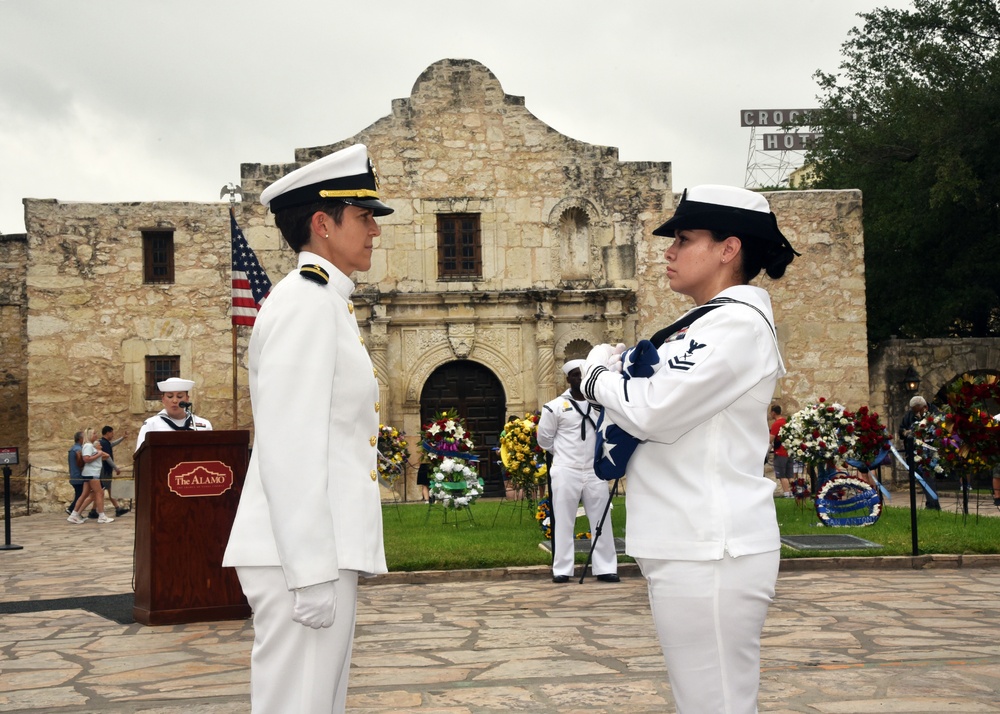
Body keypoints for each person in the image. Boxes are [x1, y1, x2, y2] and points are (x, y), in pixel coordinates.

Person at [581, 185, 797, 713]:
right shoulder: (704, 324)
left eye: (683, 239)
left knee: (715, 702)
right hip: (689, 540)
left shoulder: (736, 324)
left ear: (729, 249)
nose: (668, 252)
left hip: (711, 546)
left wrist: (594, 377)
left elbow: (655, 408)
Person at [222, 143, 391, 714]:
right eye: (364, 217)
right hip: (299, 557)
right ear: (323, 224)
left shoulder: (325, 303)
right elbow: (289, 445)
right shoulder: (306, 304)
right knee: (297, 705)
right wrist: (311, 570)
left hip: (312, 551)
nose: (374, 230)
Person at [536, 359, 619, 584]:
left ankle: (605, 567)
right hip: (566, 470)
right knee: (563, 519)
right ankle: (562, 569)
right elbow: (544, 440)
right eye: (575, 375)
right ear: (568, 379)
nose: (579, 379)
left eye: (583, 375)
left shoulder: (600, 405)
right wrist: (564, 455)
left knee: (602, 519)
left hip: (594, 470)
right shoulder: (554, 406)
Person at [135, 377, 213, 452]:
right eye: (170, 396)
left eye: (179, 396)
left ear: (187, 399)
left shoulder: (204, 425)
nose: (175, 400)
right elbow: (141, 455)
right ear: (163, 399)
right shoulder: (151, 425)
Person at [898, 395, 940, 510]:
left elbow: (939, 430)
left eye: (917, 410)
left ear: (924, 407)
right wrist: (905, 433)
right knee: (921, 478)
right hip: (913, 452)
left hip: (929, 452)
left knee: (928, 477)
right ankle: (932, 503)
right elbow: (901, 430)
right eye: (913, 410)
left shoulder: (935, 414)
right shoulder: (909, 415)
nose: (915, 413)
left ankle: (932, 504)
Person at [67, 428, 114, 524]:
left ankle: (74, 515)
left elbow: (103, 455)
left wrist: (99, 453)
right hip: (92, 473)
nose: (96, 435)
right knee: (99, 493)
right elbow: (86, 459)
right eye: (94, 434)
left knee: (84, 494)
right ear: (88, 435)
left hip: (89, 473)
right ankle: (102, 516)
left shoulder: (89, 446)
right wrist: (99, 454)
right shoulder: (88, 446)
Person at [100, 425, 129, 517]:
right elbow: (108, 458)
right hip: (105, 470)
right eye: (112, 433)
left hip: (106, 470)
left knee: (103, 490)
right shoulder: (104, 443)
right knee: (104, 490)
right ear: (108, 432)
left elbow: (112, 444)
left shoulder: (105, 443)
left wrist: (122, 438)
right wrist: (115, 468)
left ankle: (93, 511)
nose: (113, 435)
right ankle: (117, 509)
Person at [769, 405, 793, 498]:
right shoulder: (786, 421)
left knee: (782, 475)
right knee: (790, 474)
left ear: (774, 413)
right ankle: (793, 492)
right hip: (788, 451)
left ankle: (787, 493)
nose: (770, 414)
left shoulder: (776, 424)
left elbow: (770, 439)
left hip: (780, 452)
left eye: (770, 412)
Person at [66, 431, 86, 515]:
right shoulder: (78, 449)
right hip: (78, 476)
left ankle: (75, 512)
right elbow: (80, 462)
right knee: (80, 496)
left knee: (79, 495)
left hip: (74, 476)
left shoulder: (73, 448)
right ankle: (72, 510)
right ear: (80, 439)